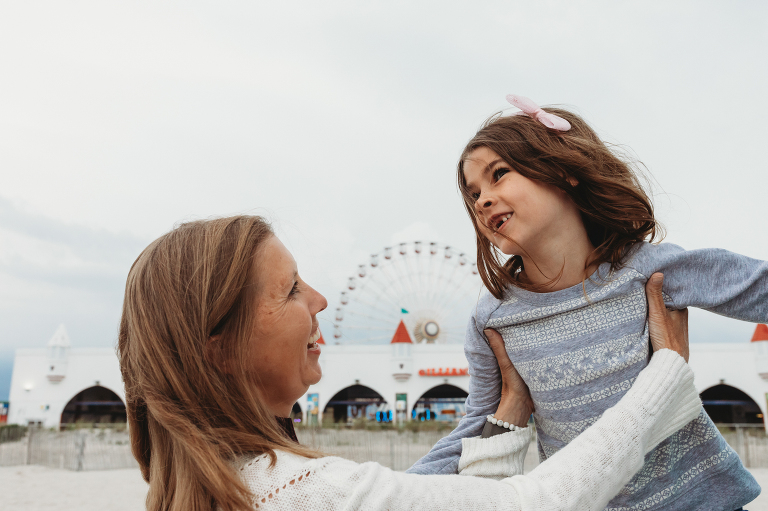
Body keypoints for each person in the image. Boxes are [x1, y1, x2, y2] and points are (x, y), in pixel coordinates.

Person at [118, 215, 700, 511]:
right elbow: (533, 505)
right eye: (291, 289)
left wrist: (506, 417)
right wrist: (666, 373)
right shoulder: (309, 492)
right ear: (218, 348)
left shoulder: (213, 490)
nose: (319, 299)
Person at [407, 95, 766, 510]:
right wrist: (393, 490)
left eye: (499, 174)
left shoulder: (645, 270)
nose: (482, 200)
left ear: (563, 173)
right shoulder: (493, 317)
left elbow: (756, 287)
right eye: (473, 195)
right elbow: (476, 426)